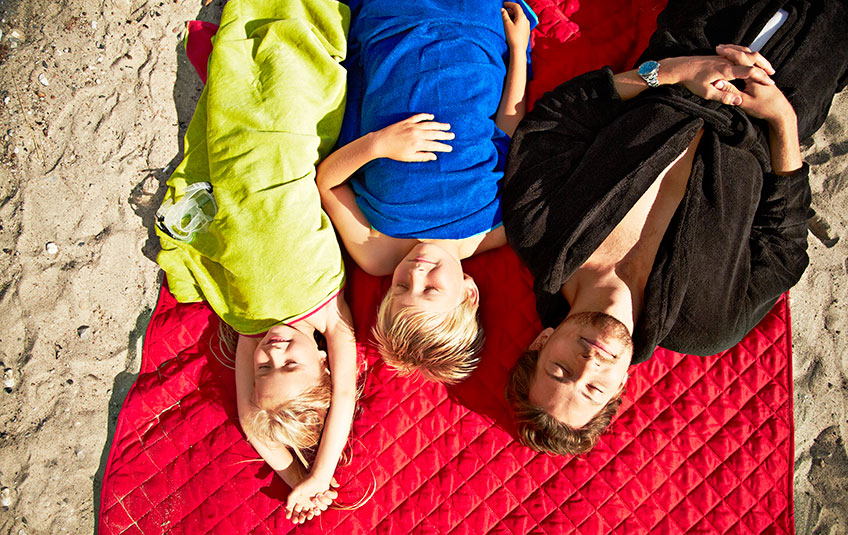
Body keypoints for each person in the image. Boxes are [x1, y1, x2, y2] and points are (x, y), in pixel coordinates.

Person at [502, 0, 848, 455]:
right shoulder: (707, 326)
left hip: (701, 34)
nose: (587, 365)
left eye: (560, 370)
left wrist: (672, 71)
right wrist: (782, 120)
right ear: (620, 387)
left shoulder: (538, 231)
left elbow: (556, 120)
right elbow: (784, 248)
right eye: (592, 390)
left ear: (542, 342)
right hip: (794, 87)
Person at [155, 0, 358, 522]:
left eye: (264, 367)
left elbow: (254, 421)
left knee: (235, 82)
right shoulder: (329, 319)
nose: (272, 352)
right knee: (293, 73)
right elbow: (341, 403)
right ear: (324, 366)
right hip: (283, 154)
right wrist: (317, 474)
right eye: (290, 363)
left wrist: (291, 476)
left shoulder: (248, 323)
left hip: (238, 167)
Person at [317, 0, 532, 384]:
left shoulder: (377, 251)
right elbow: (508, 133)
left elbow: (327, 182)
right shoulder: (496, 229)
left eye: (401, 287)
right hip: (474, 35)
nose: (416, 273)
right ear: (468, 294)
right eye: (430, 289)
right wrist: (518, 50)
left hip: (394, 28)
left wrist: (377, 145)